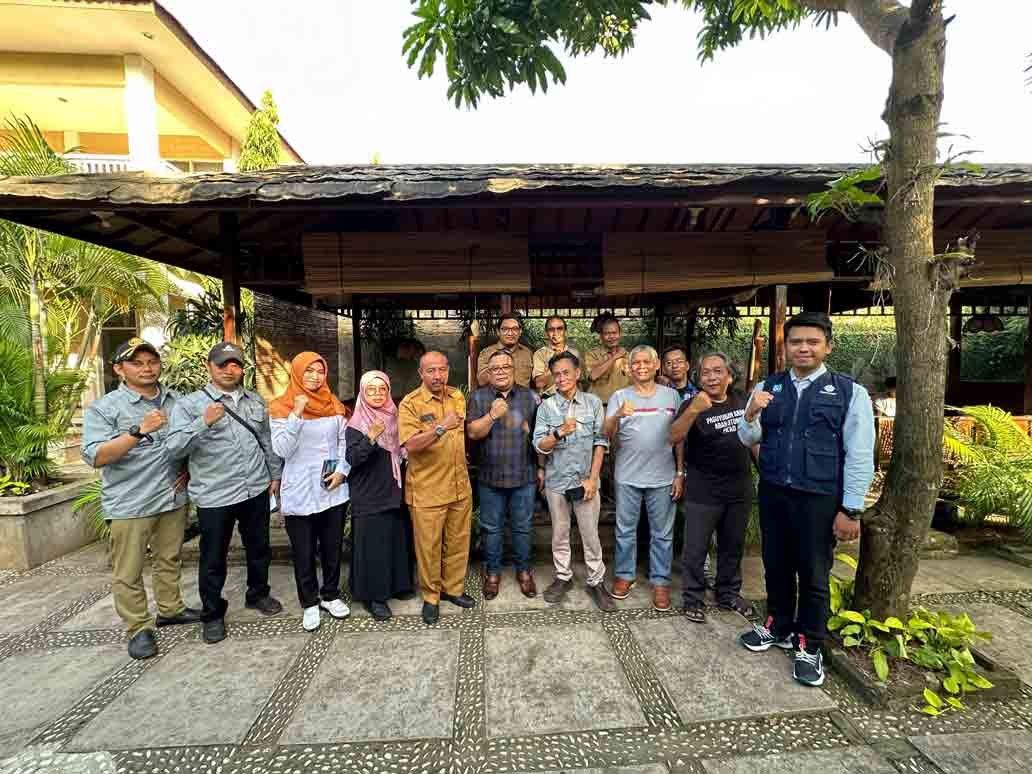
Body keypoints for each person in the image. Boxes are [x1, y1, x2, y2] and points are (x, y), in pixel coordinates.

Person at [737, 311, 874, 687]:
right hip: (775, 492)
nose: (804, 348)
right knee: (775, 564)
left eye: (812, 342)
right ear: (786, 346)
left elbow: (861, 454)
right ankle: (778, 625)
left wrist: (851, 508)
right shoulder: (770, 387)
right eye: (796, 341)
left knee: (814, 573)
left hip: (819, 498)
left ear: (827, 346)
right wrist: (750, 413)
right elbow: (747, 438)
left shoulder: (849, 393)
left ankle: (809, 643)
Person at [81, 338, 199, 659]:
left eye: (152, 361)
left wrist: (189, 468)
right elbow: (96, 456)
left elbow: (188, 441)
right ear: (119, 369)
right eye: (137, 363)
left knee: (169, 559)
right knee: (129, 569)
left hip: (171, 497)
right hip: (130, 502)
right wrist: (137, 432)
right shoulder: (105, 408)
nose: (147, 368)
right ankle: (138, 628)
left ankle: (170, 609)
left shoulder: (177, 401)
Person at [166, 341, 283, 645]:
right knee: (214, 556)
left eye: (236, 364)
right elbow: (174, 447)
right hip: (215, 493)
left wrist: (274, 476)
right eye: (223, 364)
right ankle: (213, 613)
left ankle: (258, 594)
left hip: (255, 488)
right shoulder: (190, 405)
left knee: (259, 548)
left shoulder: (254, 401)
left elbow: (267, 441)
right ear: (209, 366)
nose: (230, 370)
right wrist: (202, 423)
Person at [269, 352, 352, 632]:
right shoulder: (281, 407)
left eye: (320, 371)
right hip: (300, 489)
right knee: (303, 552)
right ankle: (309, 602)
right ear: (297, 374)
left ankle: (330, 594)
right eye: (309, 372)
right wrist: (296, 414)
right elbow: (282, 450)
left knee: (332, 547)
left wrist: (342, 471)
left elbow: (343, 443)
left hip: (332, 487)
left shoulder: (334, 404)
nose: (315, 377)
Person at [670, 352, 755, 623]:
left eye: (718, 371)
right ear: (699, 377)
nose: (711, 377)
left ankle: (728, 592)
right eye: (706, 372)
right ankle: (693, 598)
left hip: (738, 487)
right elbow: (673, 436)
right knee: (695, 548)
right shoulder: (691, 404)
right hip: (703, 489)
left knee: (733, 545)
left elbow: (754, 438)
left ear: (729, 376)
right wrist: (695, 409)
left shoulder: (742, 400)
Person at [603, 345, 683, 611]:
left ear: (656, 363)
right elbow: (606, 434)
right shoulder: (619, 396)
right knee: (625, 530)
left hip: (663, 475)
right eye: (635, 363)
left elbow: (680, 437)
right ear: (628, 367)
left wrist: (680, 472)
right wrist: (617, 415)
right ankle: (625, 576)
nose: (641, 367)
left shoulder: (672, 397)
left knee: (662, 533)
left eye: (646, 362)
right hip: (627, 475)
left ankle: (660, 582)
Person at [398, 351, 475, 625]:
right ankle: (431, 597)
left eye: (442, 370)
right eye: (431, 370)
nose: (437, 376)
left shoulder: (457, 396)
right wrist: (441, 427)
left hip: (458, 486)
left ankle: (453, 589)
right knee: (429, 548)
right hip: (428, 490)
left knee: (457, 541)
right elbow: (410, 445)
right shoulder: (410, 404)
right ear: (421, 373)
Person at [533, 352, 614, 611]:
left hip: (585, 482)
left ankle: (596, 581)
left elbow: (601, 443)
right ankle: (563, 577)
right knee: (559, 533)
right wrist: (558, 433)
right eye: (556, 374)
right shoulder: (546, 406)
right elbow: (539, 444)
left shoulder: (592, 404)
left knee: (590, 534)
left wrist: (593, 478)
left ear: (577, 374)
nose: (561, 378)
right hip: (557, 482)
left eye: (566, 372)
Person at [467, 350, 540, 599]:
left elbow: (539, 438)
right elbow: (473, 433)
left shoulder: (530, 397)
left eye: (505, 367)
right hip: (490, 476)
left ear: (514, 369)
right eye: (495, 368)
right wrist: (492, 415)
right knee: (492, 528)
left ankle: (524, 572)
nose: (500, 371)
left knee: (522, 527)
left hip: (524, 474)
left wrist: (541, 467)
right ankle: (493, 573)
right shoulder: (478, 397)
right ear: (488, 372)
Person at [345, 370, 416, 621]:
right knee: (372, 545)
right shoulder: (356, 424)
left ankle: (398, 585)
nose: (377, 394)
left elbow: (403, 449)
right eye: (370, 390)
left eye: (382, 389)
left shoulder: (395, 417)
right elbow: (353, 459)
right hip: (369, 492)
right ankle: (374, 597)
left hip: (394, 489)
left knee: (395, 539)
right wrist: (371, 438)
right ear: (362, 393)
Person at [477, 313, 534, 388]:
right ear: (498, 332)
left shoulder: (527, 353)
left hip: (523, 398)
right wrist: (496, 366)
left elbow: (534, 382)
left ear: (520, 332)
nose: (510, 333)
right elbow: (482, 381)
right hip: (495, 398)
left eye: (514, 329)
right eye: (505, 329)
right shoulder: (486, 353)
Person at [584, 314, 631, 404]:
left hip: (623, 406)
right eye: (607, 334)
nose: (611, 337)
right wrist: (615, 357)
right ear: (601, 336)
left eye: (614, 333)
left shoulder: (627, 356)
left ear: (620, 334)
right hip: (600, 406)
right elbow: (592, 376)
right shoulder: (592, 354)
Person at [533, 316, 581, 396]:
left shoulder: (574, 353)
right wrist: (557, 359)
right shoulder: (540, 354)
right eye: (551, 329)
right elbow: (539, 383)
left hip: (572, 399)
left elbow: (581, 381)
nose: (555, 333)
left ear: (565, 331)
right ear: (546, 333)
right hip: (549, 399)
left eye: (559, 328)